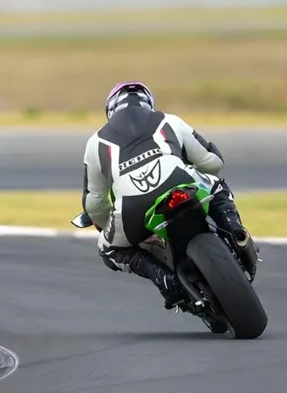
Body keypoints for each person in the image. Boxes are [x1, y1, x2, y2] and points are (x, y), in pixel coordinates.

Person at [81, 81, 259, 309]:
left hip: (132, 208)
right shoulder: (169, 120)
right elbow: (213, 163)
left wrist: (108, 224)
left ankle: (163, 278)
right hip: (180, 182)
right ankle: (237, 234)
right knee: (218, 187)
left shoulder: (96, 142)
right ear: (148, 103)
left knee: (108, 248)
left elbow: (94, 203)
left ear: (111, 111)